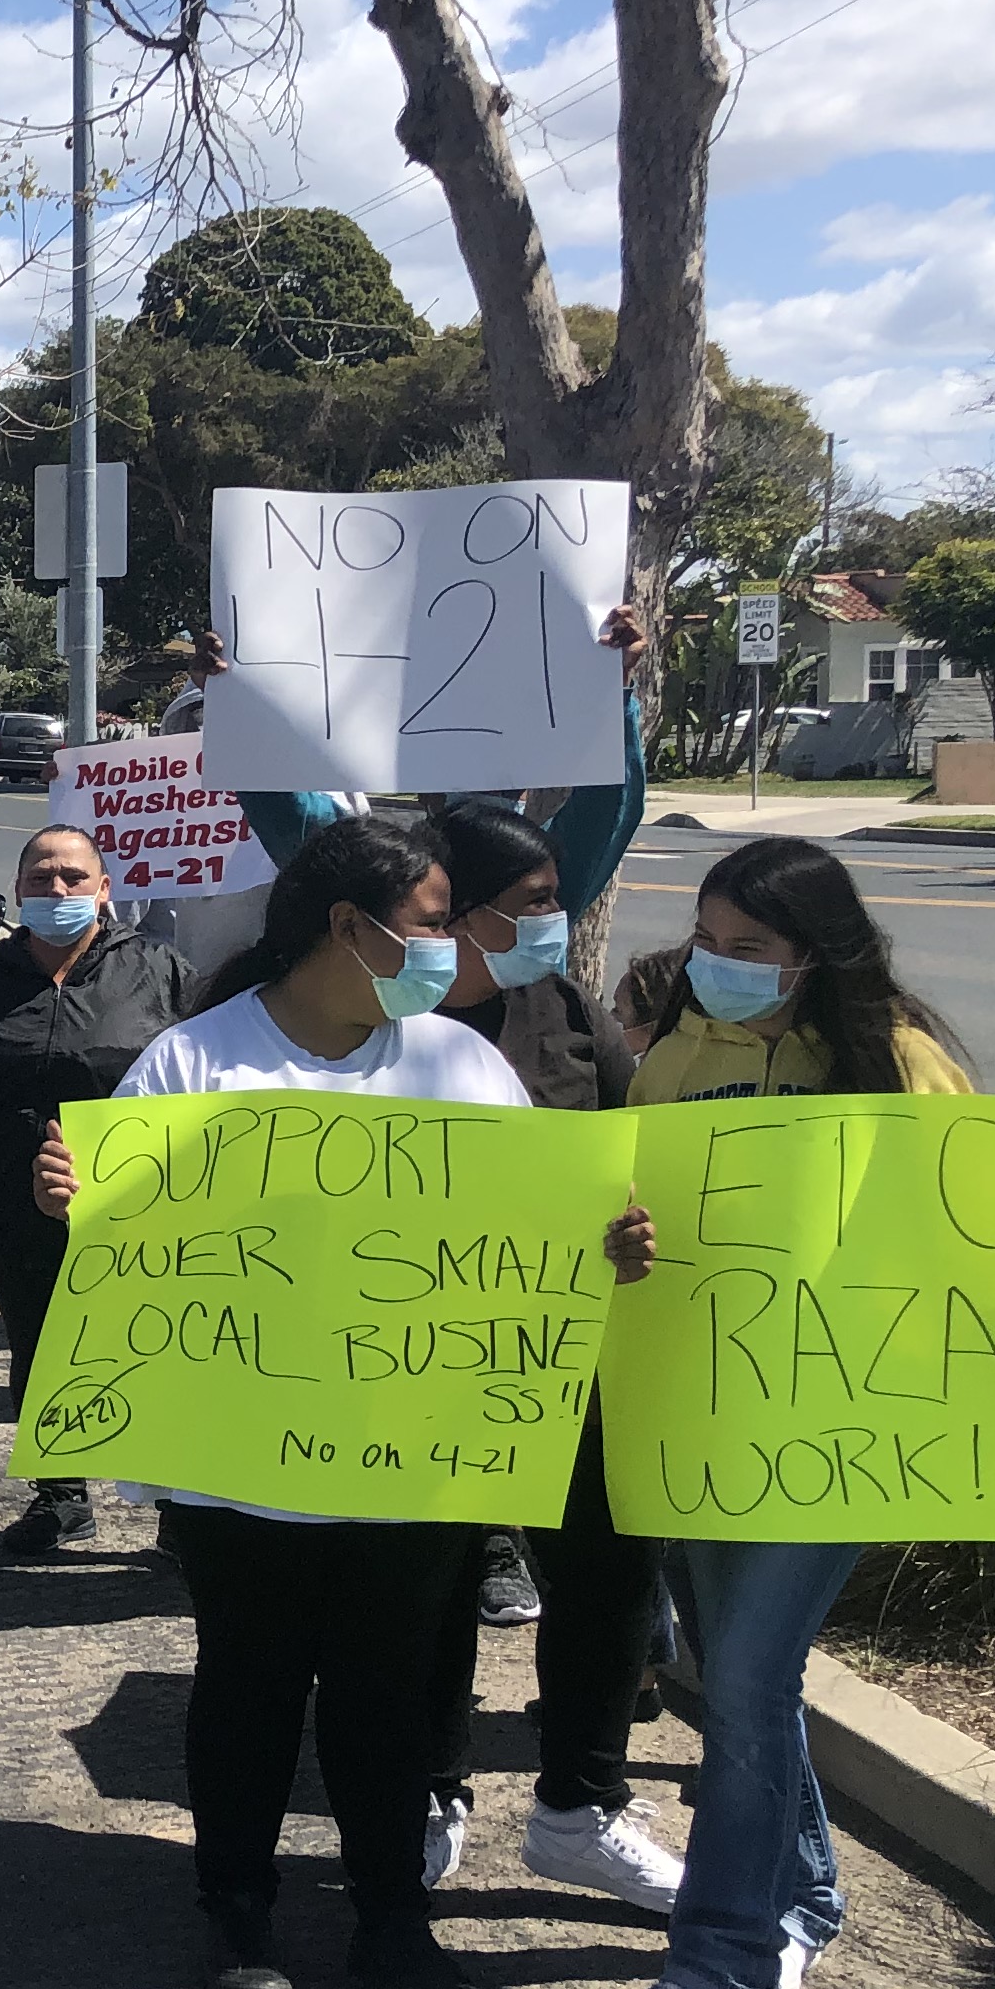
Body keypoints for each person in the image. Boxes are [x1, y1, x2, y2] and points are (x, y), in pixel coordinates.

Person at [30, 809, 647, 1989]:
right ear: (349, 927)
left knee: (390, 1696)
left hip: (410, 1454)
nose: (450, 948)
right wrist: (74, 1205)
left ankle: (393, 1924)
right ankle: (238, 1910)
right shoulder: (196, 1064)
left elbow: (521, 1242)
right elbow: (133, 1248)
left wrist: (603, 1249)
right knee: (248, 1686)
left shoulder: (463, 1067)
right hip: (239, 1461)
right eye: (431, 924)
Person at [596, 836, 995, 1989]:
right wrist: (624, 1247)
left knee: (745, 1682)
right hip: (703, 1418)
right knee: (740, 1680)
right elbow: (633, 1220)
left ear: (816, 956)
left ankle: (724, 1970)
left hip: (839, 1433)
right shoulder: (675, 1058)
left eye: (748, 949)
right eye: (705, 942)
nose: (716, 966)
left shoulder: (902, 1062)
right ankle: (808, 1898)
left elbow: (993, 1237)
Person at [404, 795, 679, 1916]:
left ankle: (582, 1808)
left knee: (611, 1574)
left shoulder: (562, 1008)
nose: (551, 923)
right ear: (461, 913)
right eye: (531, 904)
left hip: (570, 1359)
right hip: (418, 1363)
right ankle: (428, 1791)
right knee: (431, 1585)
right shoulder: (380, 1020)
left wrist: (637, 1228)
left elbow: (641, 1149)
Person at [0, 821, 191, 1556]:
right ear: (18, 891)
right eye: (41, 878)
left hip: (137, 1217)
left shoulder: (161, 973)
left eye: (73, 877)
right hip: (11, 1208)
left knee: (156, 1357)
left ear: (104, 889)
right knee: (42, 1352)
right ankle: (60, 1497)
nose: (57, 888)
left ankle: (180, 1514)